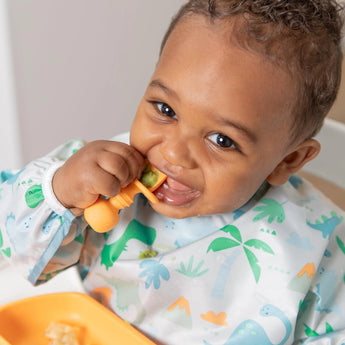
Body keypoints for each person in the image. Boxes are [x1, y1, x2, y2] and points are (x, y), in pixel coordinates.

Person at [1, 0, 344, 344]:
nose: (173, 152)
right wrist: (60, 194)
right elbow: (15, 250)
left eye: (221, 140)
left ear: (289, 160)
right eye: (165, 109)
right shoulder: (101, 177)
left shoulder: (321, 252)